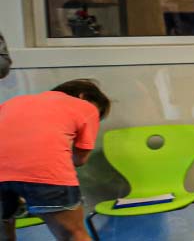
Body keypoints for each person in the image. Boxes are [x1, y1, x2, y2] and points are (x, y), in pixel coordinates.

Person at [0, 79, 111, 241]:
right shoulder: (85, 107)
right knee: (73, 234)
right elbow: (80, 159)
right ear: (83, 96)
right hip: (45, 174)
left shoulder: (13, 102)